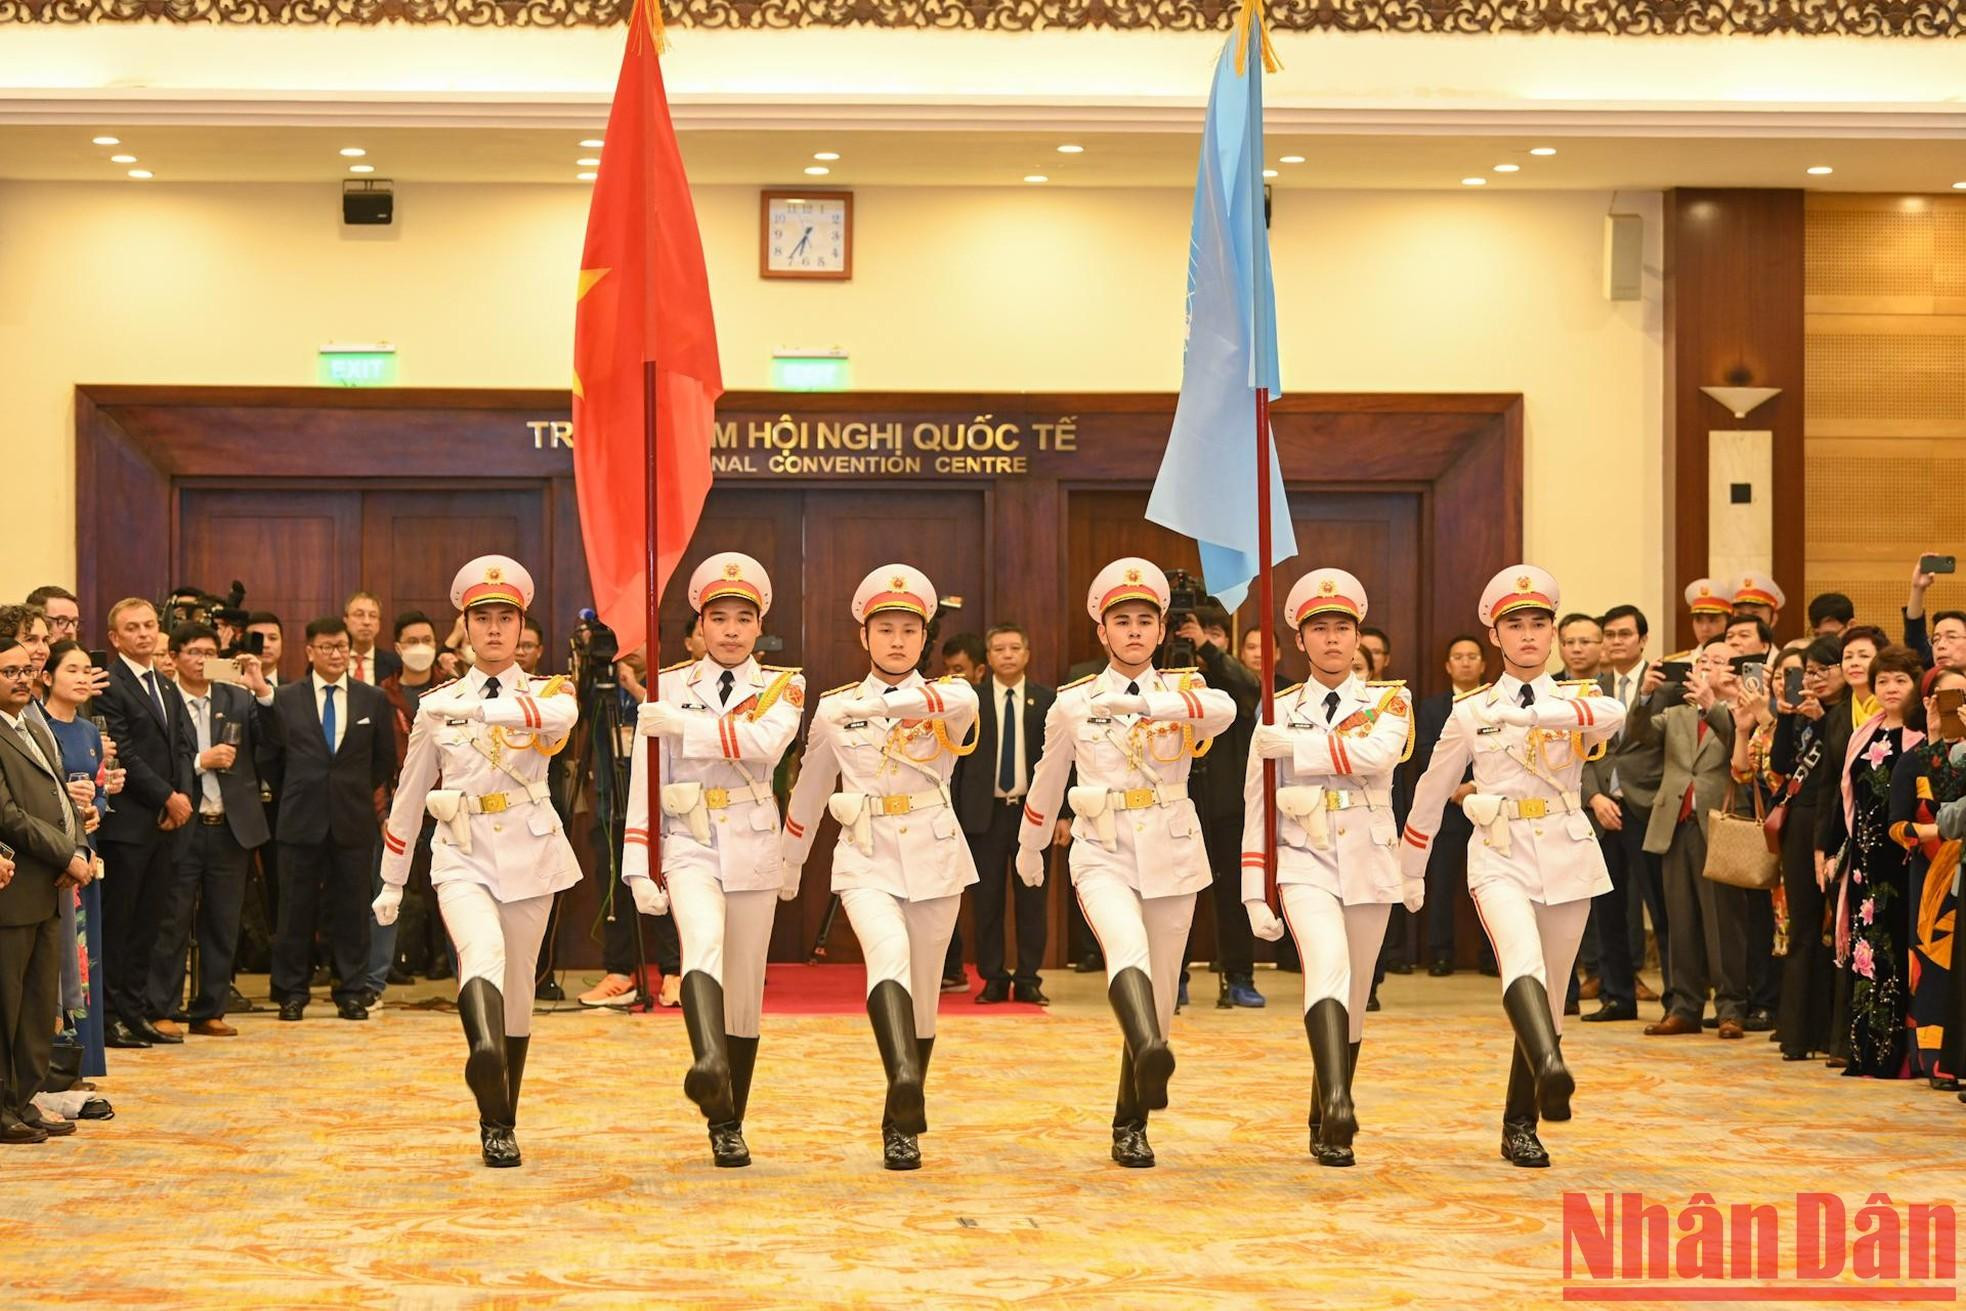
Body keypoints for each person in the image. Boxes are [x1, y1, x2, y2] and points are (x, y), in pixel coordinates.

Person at [1401, 565, 1624, 1168]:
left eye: (1538, 624)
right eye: (1514, 625)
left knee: (1552, 999)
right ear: (1495, 637)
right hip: (1499, 851)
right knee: (1519, 962)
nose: (1528, 635)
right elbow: (1432, 786)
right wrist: (1411, 866)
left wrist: (1530, 717)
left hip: (1567, 850)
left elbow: (1611, 720)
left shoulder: (1582, 698)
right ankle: (1551, 1064)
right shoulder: (1471, 711)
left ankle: (1519, 1122)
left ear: (1552, 633)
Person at [1015, 558, 1234, 1168]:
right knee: (1126, 950)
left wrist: (1151, 709)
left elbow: (1227, 711)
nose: (1134, 631)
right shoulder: (1073, 703)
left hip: (1172, 850)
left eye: (1145, 621)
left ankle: (1130, 1120)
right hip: (1103, 849)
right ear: (1102, 633)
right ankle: (1145, 1048)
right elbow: (1047, 777)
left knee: (1161, 991)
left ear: (1162, 631)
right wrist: (1030, 845)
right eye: (1121, 621)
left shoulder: (1188, 693)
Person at [372, 556, 577, 1168]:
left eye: (505, 619)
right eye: (481, 618)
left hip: (531, 848)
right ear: (464, 628)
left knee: (518, 989)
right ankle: (483, 1054)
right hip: (460, 851)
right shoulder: (436, 705)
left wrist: (482, 713)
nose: (493, 630)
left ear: (521, 630)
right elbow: (408, 799)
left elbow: (557, 721)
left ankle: (501, 1117)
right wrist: (391, 880)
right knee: (480, 954)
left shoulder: (549, 692)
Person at [784, 566, 979, 1170]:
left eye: (909, 630)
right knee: (887, 953)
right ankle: (901, 1079)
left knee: (924, 996)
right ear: (863, 636)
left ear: (926, 638)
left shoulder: (951, 696)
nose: (897, 641)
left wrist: (879, 704)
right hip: (865, 855)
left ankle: (902, 1122)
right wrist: (789, 862)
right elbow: (811, 788)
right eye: (884, 629)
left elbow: (962, 702)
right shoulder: (834, 708)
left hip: (936, 853)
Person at [622, 552, 805, 1169]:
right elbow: (646, 779)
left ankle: (730, 1121)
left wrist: (682, 726)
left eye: (743, 618)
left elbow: (763, 745)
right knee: (701, 942)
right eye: (718, 617)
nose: (730, 630)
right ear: (700, 625)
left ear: (760, 626)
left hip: (755, 842)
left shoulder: (785, 685)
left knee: (746, 989)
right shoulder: (667, 686)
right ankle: (706, 1061)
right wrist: (637, 863)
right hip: (688, 838)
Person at [1241, 568, 1417, 1166]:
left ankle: (1324, 1108)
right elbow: (1256, 804)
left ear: (1359, 635)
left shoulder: (1390, 700)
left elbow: (1377, 756)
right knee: (1328, 966)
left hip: (1369, 860)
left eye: (1343, 628)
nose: (1333, 639)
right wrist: (1253, 890)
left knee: (1358, 991)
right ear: (1301, 640)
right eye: (1320, 629)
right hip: (1303, 859)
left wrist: (1298, 749)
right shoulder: (1276, 707)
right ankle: (1341, 1102)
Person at [257, 616, 396, 1023]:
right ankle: (291, 992)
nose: (336, 654)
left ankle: (351, 991)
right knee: (294, 910)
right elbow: (271, 758)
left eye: (342, 647)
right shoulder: (286, 697)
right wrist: (300, 791)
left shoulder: (372, 699)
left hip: (352, 819)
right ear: (310, 651)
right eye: (327, 647)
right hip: (300, 817)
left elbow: (382, 761)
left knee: (352, 909)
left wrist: (348, 793)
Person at [151, 624, 270, 1037]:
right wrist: (202, 761)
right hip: (182, 823)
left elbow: (274, 743)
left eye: (209, 652)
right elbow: (159, 760)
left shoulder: (237, 697)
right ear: (176, 656)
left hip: (230, 827)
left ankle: (210, 1009)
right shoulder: (164, 699)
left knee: (223, 922)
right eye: (193, 652)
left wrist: (263, 691)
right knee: (173, 920)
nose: (202, 660)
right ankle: (163, 1007)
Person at [0, 613, 91, 1144]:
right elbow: (9, 816)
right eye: (7, 671)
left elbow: (62, 795)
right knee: (6, 1003)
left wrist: (76, 845)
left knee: (38, 1003)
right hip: (15, 886)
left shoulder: (32, 723)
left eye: (22, 670)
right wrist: (67, 855)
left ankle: (24, 1097)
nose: (19, 678)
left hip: (50, 882)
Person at [1818, 643, 1926, 1079]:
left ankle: (1899, 1056)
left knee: (1900, 953)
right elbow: (1844, 800)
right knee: (1867, 956)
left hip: (1906, 861)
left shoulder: (1923, 736)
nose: (1891, 687)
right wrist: (1832, 853)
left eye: (1900, 679)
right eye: (1883, 680)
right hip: (1864, 865)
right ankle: (1866, 1051)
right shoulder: (1863, 734)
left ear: (1917, 685)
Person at [94, 597, 195, 1048]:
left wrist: (180, 797)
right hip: (128, 824)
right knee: (120, 924)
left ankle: (135, 1012)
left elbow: (180, 747)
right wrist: (168, 797)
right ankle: (111, 1016)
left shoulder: (165, 683)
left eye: (149, 625)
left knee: (149, 925)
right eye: (132, 628)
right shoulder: (109, 684)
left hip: (163, 823)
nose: (143, 634)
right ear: (115, 638)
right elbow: (124, 752)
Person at [1639, 643, 1746, 1038]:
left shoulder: (1739, 709)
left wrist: (1711, 706)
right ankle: (1684, 1006)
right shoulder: (1675, 712)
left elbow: (1738, 739)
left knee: (1722, 922)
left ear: (1732, 673)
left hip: (1718, 825)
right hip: (1675, 824)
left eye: (1717, 662)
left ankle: (1731, 1008)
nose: (1706, 667)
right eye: (1702, 661)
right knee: (1679, 920)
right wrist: (1645, 694)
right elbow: (1638, 736)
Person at [955, 622, 1060, 1007]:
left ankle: (1030, 978)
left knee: (1033, 899)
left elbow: (1062, 762)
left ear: (1027, 654)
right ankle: (994, 978)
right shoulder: (971, 701)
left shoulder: (1047, 701)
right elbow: (958, 764)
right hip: (985, 817)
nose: (1008, 655)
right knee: (987, 902)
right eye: (999, 649)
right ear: (989, 657)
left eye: (1015, 648)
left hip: (1031, 815)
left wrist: (1061, 814)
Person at [1579, 604, 1669, 1023]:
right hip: (1602, 810)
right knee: (1608, 907)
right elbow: (1581, 752)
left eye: (1624, 634)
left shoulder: (1664, 683)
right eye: (1609, 635)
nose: (1616, 642)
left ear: (1643, 639)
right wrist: (1595, 798)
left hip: (1648, 805)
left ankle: (1678, 998)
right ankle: (1617, 997)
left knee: (1662, 906)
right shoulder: (1590, 689)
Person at [38, 641, 119, 1079]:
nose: (83, 677)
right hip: (53, 855)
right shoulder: (38, 727)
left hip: (86, 849)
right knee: (61, 961)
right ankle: (54, 1064)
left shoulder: (90, 732)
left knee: (87, 959)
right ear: (47, 677)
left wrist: (95, 808)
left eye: (88, 670)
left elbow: (102, 790)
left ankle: (84, 1062)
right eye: (72, 670)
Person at [1177, 599, 1264, 1009]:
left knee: (1234, 895)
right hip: (1181, 804)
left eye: (1214, 635)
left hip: (1231, 804)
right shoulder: (1173, 675)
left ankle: (1239, 977)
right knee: (1178, 896)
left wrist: (1209, 652)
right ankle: (1174, 977)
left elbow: (1251, 689)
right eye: (1194, 634)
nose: (1202, 642)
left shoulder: (1233, 679)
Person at [1769, 636, 1851, 1061]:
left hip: (1837, 821)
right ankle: (1796, 1033)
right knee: (1803, 926)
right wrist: (1786, 715)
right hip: (1800, 822)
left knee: (1836, 927)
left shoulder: (1850, 712)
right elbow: (1782, 765)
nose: (1814, 679)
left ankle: (1832, 1034)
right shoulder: (1802, 709)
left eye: (1823, 670)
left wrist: (1822, 722)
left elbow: (1839, 767)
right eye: (1809, 672)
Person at [1890, 667, 1966, 1083]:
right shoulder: (1916, 757)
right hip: (1933, 871)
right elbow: (1899, 822)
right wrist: (1925, 834)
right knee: (1934, 965)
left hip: (1961, 863)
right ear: (1929, 702)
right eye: (1947, 695)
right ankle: (1936, 1060)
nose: (1958, 703)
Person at [1410, 635, 1492, 977]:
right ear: (1448, 666)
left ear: (1483, 664)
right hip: (1446, 809)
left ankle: (1491, 955)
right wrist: (1452, 788)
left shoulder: (1495, 703)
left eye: (1472, 656)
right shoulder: (1431, 707)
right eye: (1458, 657)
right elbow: (1426, 753)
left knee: (1489, 883)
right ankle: (1441, 953)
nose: (1466, 662)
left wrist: (1474, 786)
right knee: (1441, 884)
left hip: (1488, 807)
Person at [342, 592, 400, 685]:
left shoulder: (394, 664)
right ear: (346, 620)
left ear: (379, 623)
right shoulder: (333, 660)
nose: (366, 622)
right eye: (359, 615)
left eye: (373, 616)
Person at [1685, 579, 1732, 648]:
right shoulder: (1684, 659)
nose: (1705, 629)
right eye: (1699, 620)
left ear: (1728, 622)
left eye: (1712, 621)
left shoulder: (1739, 658)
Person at [1557, 614, 1604, 681]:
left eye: (1585, 642)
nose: (1576, 649)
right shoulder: (1546, 687)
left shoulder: (1615, 686)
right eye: (1570, 642)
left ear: (1602, 647)